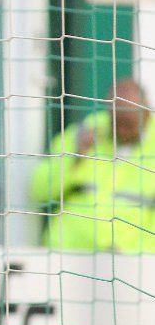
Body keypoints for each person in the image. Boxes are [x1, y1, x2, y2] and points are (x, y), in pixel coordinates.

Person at [30, 78, 155, 252]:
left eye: (128, 123)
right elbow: (39, 190)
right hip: (68, 252)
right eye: (116, 121)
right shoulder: (83, 133)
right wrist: (76, 156)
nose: (121, 129)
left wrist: (135, 253)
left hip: (133, 259)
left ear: (146, 113)